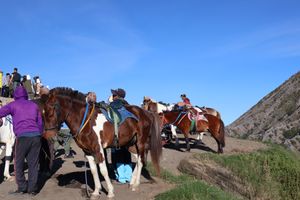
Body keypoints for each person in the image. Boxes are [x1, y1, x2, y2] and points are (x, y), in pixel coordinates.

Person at [0, 86, 43, 195]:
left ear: (15, 95)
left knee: (18, 163)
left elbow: (1, 112)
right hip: (36, 136)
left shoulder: (13, 105)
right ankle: (33, 189)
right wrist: (39, 133)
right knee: (33, 164)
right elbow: (40, 122)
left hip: (22, 137)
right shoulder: (34, 105)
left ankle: (22, 187)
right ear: (26, 95)